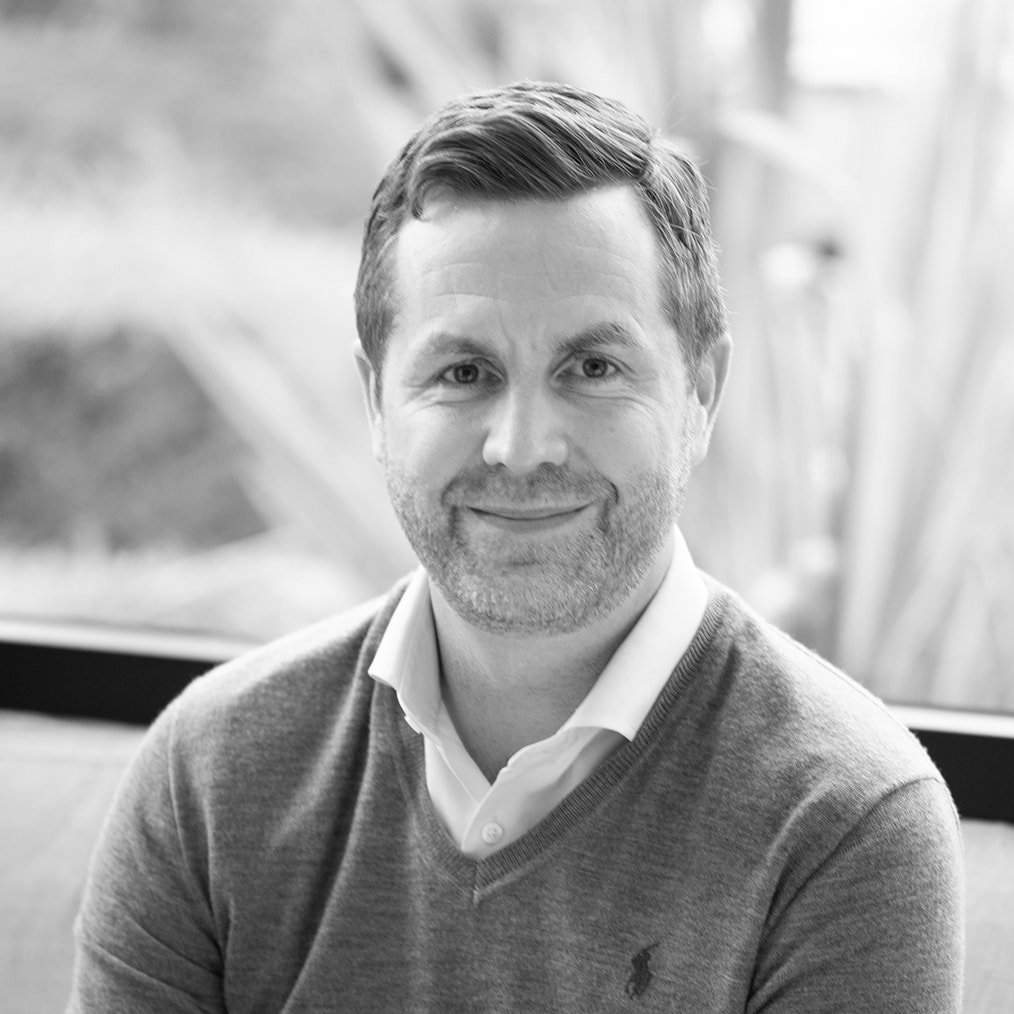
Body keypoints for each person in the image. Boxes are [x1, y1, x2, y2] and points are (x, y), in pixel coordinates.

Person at [67, 81, 963, 1013]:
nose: (523, 446)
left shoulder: (848, 820)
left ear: (702, 390)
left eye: (593, 368)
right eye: (463, 372)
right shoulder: (209, 775)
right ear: (378, 403)